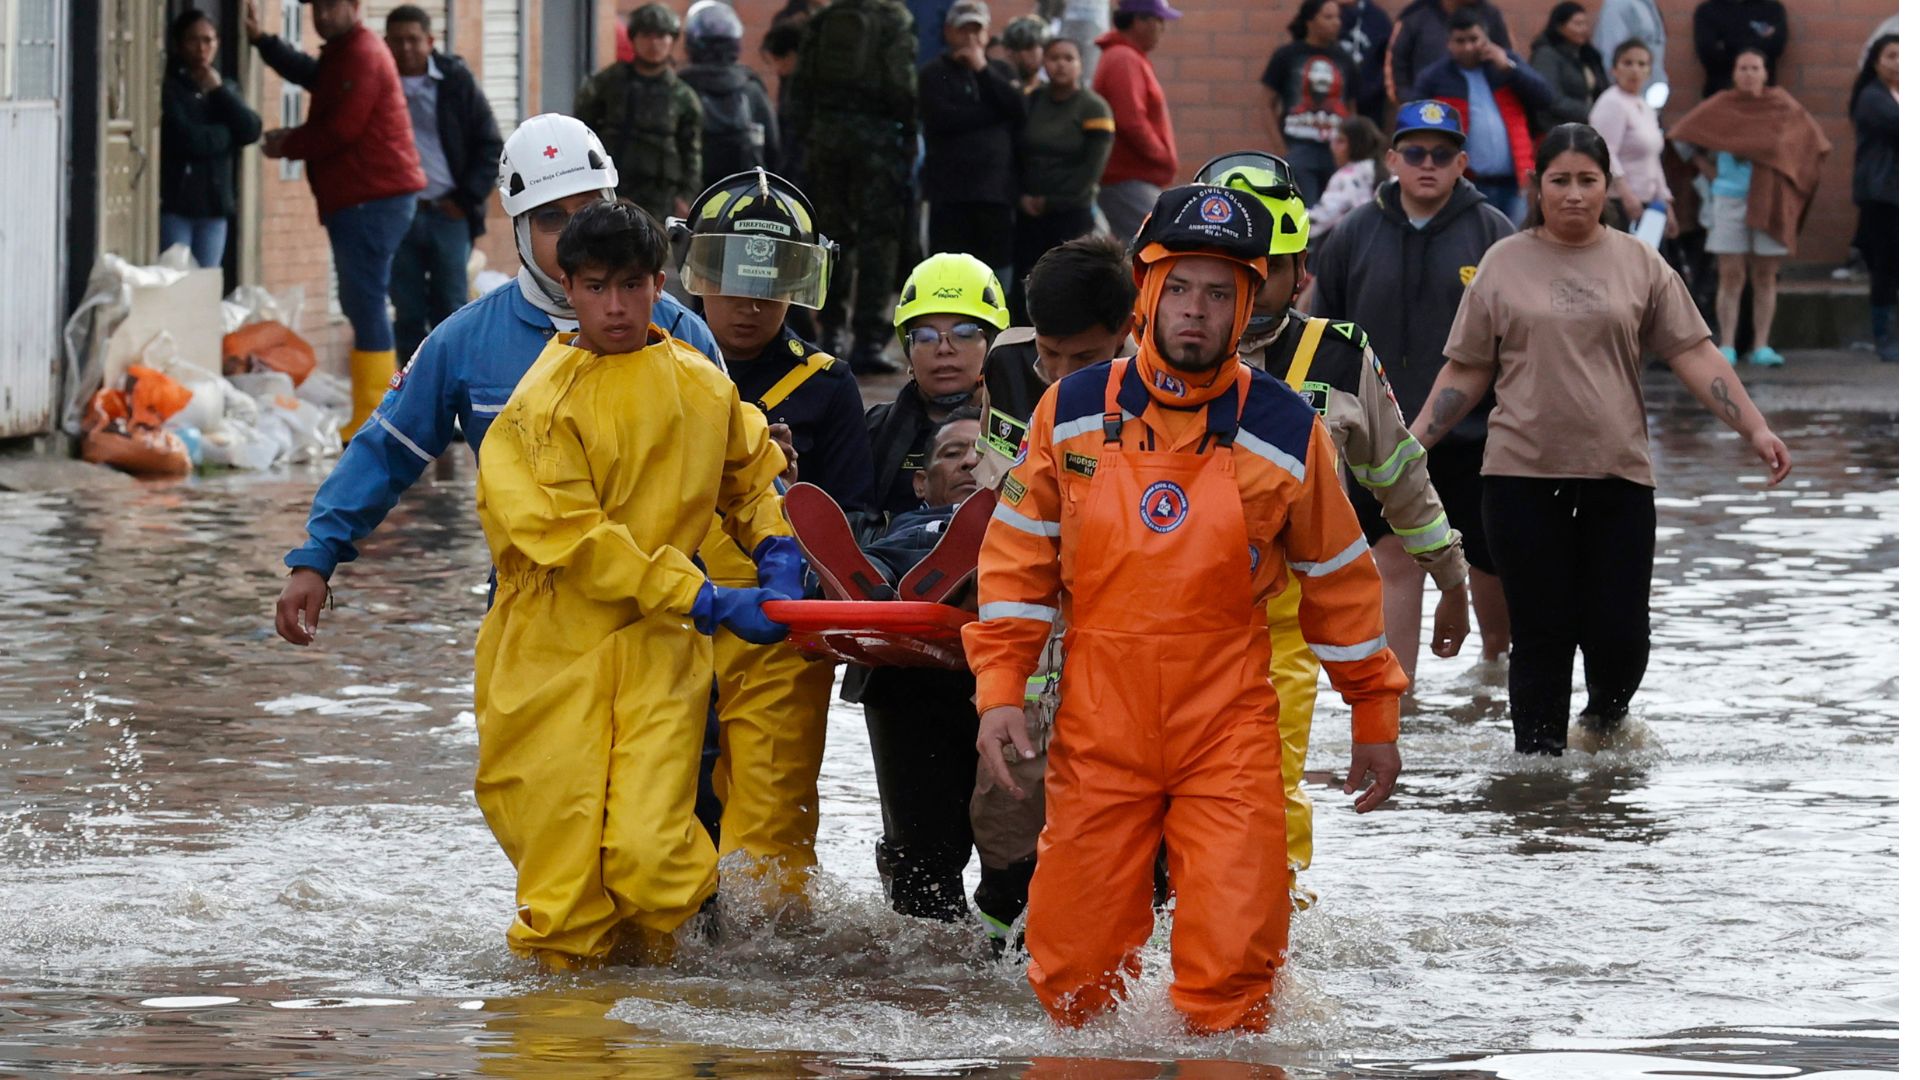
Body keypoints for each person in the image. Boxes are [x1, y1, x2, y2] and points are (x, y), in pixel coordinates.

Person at [968, 183, 1406, 1034]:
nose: (1195, 311)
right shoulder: (1070, 411)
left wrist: (1374, 711)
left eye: (1219, 292)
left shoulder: (1287, 427)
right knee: (1074, 981)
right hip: (1098, 724)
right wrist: (999, 693)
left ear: (1248, 304)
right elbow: (1017, 564)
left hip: (1228, 727)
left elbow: (1340, 578)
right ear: (1146, 291)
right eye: (1179, 288)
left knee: (1237, 975)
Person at [472, 199, 799, 968]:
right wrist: (706, 598)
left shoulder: (702, 385)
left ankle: (657, 1031)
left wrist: (776, 545)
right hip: (552, 655)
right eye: (593, 287)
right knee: (564, 892)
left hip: (659, 650)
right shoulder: (539, 408)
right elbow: (576, 540)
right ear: (566, 286)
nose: (613, 307)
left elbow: (750, 477)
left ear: (661, 283)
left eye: (629, 285)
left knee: (656, 863)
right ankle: (558, 1047)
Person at [1409, 123, 1791, 756]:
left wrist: (1753, 427)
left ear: (1609, 186)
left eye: (1588, 181)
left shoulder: (1638, 261)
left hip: (1619, 475)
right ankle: (1537, 780)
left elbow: (1693, 353)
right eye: (1560, 181)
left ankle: (1604, 727)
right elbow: (1468, 368)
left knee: (1621, 636)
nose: (1575, 195)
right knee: (1542, 634)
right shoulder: (1504, 263)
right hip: (1519, 476)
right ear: (1538, 187)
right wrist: (1415, 442)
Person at [273, 114, 721, 647]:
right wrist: (317, 556)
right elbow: (386, 451)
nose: (576, 231)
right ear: (519, 230)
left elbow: (734, 468)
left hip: (668, 607)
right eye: (552, 218)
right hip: (532, 612)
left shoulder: (679, 330)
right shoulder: (464, 341)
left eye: (590, 210)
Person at [1202, 151, 1468, 892]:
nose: (1246, 289)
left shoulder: (1339, 357)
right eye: (1228, 269)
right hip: (1156, 612)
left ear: (1301, 271)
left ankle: (1269, 927)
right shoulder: (1152, 355)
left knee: (1269, 777)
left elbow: (1399, 476)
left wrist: (1449, 573)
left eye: (1267, 268)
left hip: (1282, 615)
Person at [676, 167, 873, 897]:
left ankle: (766, 967)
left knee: (772, 810)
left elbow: (854, 518)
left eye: (773, 280)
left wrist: (786, 489)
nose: (752, 302)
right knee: (663, 794)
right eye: (730, 277)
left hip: (783, 623)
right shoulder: (659, 367)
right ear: (698, 272)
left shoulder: (827, 384)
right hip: (671, 609)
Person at [1308, 100, 1514, 686]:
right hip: (1379, 440)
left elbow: (1519, 342)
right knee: (1394, 560)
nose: (1429, 164)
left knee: (1486, 563)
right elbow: (1325, 335)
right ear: (1393, 158)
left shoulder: (1492, 233)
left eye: (1443, 154)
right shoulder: (1352, 234)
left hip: (1475, 437)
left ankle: (1494, 678)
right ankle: (1399, 704)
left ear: (1462, 163)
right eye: (1416, 153)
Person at [967, 235, 1138, 942]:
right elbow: (995, 488)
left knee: (1120, 802)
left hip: (1127, 615)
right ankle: (1003, 928)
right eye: (1051, 357)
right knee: (1007, 795)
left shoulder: (1172, 383)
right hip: (1028, 607)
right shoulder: (1007, 364)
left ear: (1131, 333)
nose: (1062, 378)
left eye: (1086, 361)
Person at [851, 252, 1010, 922]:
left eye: (964, 332)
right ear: (905, 345)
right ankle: (929, 977)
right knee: (921, 863)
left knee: (1017, 851)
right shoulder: (880, 431)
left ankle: (1012, 955)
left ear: (994, 340)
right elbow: (849, 515)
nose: (944, 350)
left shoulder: (1034, 413)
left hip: (1008, 655)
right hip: (907, 664)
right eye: (925, 335)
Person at [248, 0, 425, 440]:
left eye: (332, 5)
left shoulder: (361, 53)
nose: (322, 15)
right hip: (364, 196)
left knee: (364, 301)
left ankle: (374, 413)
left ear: (355, 6)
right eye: (316, 7)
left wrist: (286, 142)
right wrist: (264, 43)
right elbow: (314, 77)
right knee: (360, 300)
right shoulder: (344, 52)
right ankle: (374, 411)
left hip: (372, 197)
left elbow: (342, 128)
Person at [1668, 48, 1830, 367]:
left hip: (1770, 198)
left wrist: (1788, 177)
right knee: (1730, 273)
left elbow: (1814, 143)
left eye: (1755, 68)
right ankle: (1726, 344)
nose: (1749, 74)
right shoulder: (1722, 106)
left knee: (1766, 273)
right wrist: (1708, 169)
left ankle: (1761, 345)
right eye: (1743, 68)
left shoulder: (1782, 105)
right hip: (1729, 197)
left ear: (1765, 73)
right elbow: (1681, 136)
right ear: (1734, 73)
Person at [788, 0, 920, 373]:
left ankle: (829, 334)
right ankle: (868, 341)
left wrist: (802, 141)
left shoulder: (824, 19)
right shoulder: (893, 18)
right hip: (877, 142)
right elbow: (901, 82)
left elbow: (801, 86)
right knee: (879, 240)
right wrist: (909, 132)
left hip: (826, 139)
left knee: (831, 239)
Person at [382, 5, 502, 369]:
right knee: (407, 312)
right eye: (397, 41)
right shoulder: (378, 82)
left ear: (430, 41)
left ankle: (454, 399)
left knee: (451, 310)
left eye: (413, 40)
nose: (406, 48)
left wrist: (465, 200)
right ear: (385, 43)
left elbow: (490, 144)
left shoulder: (455, 81)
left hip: (448, 215)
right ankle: (411, 399)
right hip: (399, 215)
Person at [1412, 8, 1554, 224]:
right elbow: (1416, 123)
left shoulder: (1505, 65)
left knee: (1515, 245)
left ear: (1486, 39)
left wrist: (1509, 68)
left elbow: (1545, 97)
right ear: (1449, 43)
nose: (1468, 47)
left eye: (1474, 39)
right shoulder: (1434, 78)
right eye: (1460, 41)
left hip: (1516, 181)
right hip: (1467, 183)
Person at [920, 1, 1027, 285]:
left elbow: (1018, 108)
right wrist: (993, 114)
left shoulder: (1001, 71)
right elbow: (942, 119)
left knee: (996, 276)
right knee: (946, 275)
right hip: (949, 195)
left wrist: (982, 69)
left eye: (975, 30)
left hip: (995, 194)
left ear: (986, 33)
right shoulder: (932, 73)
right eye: (962, 29)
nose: (969, 37)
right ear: (947, 31)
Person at [1012, 38, 1115, 325]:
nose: (1061, 64)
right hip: (1028, 213)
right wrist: (1021, 195)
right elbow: (1016, 153)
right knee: (1026, 283)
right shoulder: (1031, 101)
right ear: (1044, 63)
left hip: (1071, 213)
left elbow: (1091, 170)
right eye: (1054, 57)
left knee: (1066, 282)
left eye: (1069, 58)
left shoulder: (1094, 108)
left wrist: (1052, 201)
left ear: (1080, 65)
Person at [574, 3, 704, 223]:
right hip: (612, 189)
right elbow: (582, 131)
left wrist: (686, 196)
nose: (654, 43)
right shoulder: (607, 83)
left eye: (661, 36)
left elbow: (691, 152)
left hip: (661, 198)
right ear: (634, 38)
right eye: (646, 35)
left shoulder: (683, 96)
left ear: (672, 40)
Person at [161, 10, 261, 270]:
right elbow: (187, 138)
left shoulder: (225, 88)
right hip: (178, 204)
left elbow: (250, 129)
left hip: (214, 207)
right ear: (180, 44)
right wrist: (227, 135)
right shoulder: (171, 88)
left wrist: (217, 91)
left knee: (206, 280)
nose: (202, 48)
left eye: (208, 40)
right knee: (175, 280)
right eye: (194, 40)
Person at [1092, 0, 1181, 242]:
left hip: (1131, 179)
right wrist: (1162, 156)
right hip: (1126, 178)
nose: (1162, 27)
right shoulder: (1123, 58)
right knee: (1161, 242)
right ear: (1138, 20)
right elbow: (1130, 121)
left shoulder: (1127, 56)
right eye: (1158, 20)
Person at [1260, 0, 1359, 207]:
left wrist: (1351, 147)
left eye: (1338, 17)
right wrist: (1282, 150)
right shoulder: (1287, 56)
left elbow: (1351, 108)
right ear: (1310, 22)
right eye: (1328, 17)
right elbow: (1266, 104)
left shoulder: (1345, 59)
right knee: (1306, 214)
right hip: (1299, 149)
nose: (1336, 23)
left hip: (1335, 152)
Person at [680, 1, 780, 189]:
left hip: (694, 196)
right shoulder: (751, 88)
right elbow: (773, 148)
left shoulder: (681, 88)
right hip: (746, 191)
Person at [1589, 39, 1673, 232]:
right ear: (1614, 69)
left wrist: (1664, 200)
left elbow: (1652, 158)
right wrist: (1626, 195)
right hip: (1620, 201)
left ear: (1649, 71)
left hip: (1647, 200)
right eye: (1627, 63)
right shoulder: (1612, 102)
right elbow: (1605, 151)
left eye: (1642, 64)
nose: (1635, 70)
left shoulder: (1644, 105)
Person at [1850, 35, 1897, 364]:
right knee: (1887, 268)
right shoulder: (1872, 97)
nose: (1898, 63)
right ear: (1876, 62)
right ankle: (1884, 336)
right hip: (1884, 196)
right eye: (1891, 56)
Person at [1388, 0, 1513, 107]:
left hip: (1481, 113)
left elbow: (1510, 63)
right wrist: (1413, 105)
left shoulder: (1492, 16)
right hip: (1429, 118)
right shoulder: (1414, 17)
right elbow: (1397, 68)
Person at [1307, 115, 1386, 239]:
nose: (1333, 147)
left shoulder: (1346, 177)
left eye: (1340, 141)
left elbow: (1325, 216)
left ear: (1358, 144)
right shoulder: (1388, 173)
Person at [1530, 2, 1608, 126]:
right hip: (1557, 127)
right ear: (1559, 26)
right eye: (1577, 24)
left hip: (1589, 125)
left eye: (1585, 24)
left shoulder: (1588, 55)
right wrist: (1592, 111)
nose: (1584, 29)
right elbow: (1550, 97)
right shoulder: (1546, 55)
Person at [1693, 0, 1785, 96]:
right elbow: (1708, 54)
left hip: (1763, 96)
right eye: (1743, 69)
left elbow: (1776, 47)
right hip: (1720, 93)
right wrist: (1756, 45)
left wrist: (1727, 45)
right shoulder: (1707, 11)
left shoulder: (1772, 9)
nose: (1747, 73)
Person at [759, 16, 809, 181]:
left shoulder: (808, 90)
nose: (778, 70)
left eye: (780, 61)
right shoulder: (790, 82)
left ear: (793, 55)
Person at [1336, 0, 1394, 124]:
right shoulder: (1320, 14)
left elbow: (1390, 61)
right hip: (1326, 107)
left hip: (1369, 106)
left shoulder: (1377, 18)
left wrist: (1372, 90)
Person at [1592, 0, 1667, 96]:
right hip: (1629, 92)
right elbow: (1610, 51)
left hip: (1649, 87)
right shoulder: (1619, 4)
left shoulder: (1646, 4)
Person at [1001, 14, 1051, 94]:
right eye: (1028, 47)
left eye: (1042, 47)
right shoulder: (997, 86)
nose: (1035, 54)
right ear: (1009, 51)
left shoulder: (1049, 93)